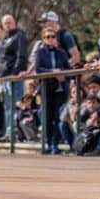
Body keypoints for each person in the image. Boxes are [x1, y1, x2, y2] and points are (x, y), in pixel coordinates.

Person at [35, 27, 71, 155]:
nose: (50, 39)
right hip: (47, 88)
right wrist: (52, 72)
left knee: (58, 116)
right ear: (43, 39)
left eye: (52, 36)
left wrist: (63, 75)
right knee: (47, 116)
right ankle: (49, 143)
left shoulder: (61, 52)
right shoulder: (40, 52)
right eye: (47, 37)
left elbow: (68, 69)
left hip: (60, 89)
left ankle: (55, 144)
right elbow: (38, 69)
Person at [0, 15, 28, 142]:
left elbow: (21, 55)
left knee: (16, 104)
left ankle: (16, 132)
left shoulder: (19, 35)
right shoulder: (5, 38)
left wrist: (15, 73)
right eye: (5, 23)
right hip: (4, 77)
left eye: (10, 22)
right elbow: (2, 58)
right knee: (7, 106)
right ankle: (9, 132)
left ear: (14, 23)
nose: (8, 25)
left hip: (13, 76)